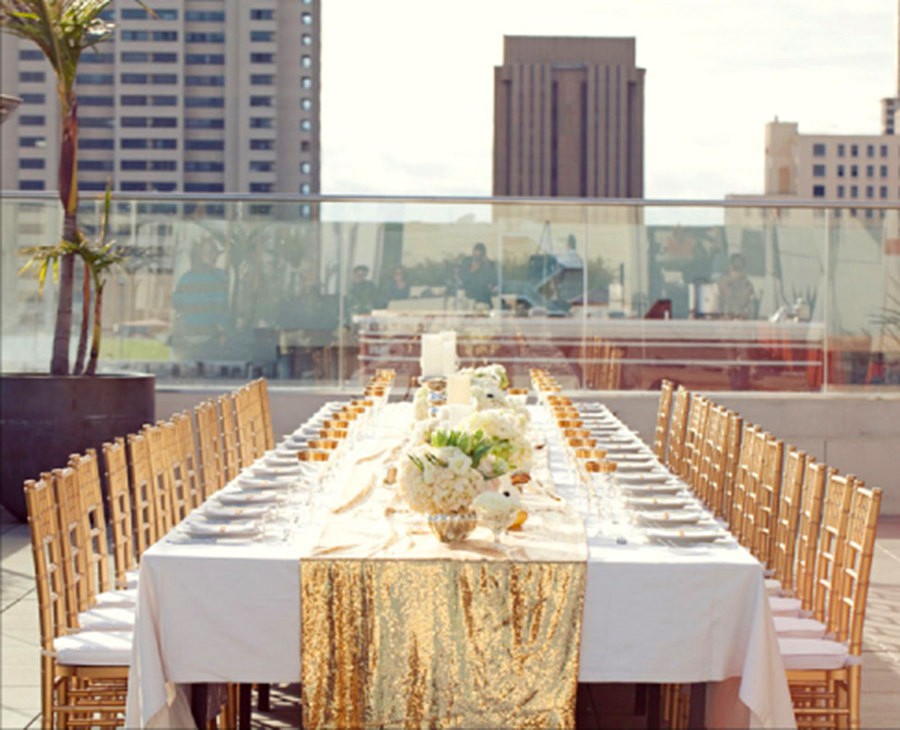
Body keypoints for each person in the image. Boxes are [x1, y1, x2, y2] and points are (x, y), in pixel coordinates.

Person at [171, 238, 229, 359]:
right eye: (208, 253)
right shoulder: (220, 277)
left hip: (192, 336)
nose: (212, 257)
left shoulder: (186, 277)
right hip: (207, 336)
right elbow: (222, 307)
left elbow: (177, 303)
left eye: (212, 253)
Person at [459, 242, 497, 307]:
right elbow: (462, 280)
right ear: (472, 253)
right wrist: (471, 271)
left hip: (485, 298)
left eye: (479, 256)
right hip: (470, 298)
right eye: (475, 255)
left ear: (484, 255)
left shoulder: (489, 264)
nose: (477, 258)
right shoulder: (467, 261)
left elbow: (494, 281)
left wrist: (487, 265)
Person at [718, 253, 755, 319]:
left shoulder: (747, 286)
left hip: (741, 324)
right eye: (735, 267)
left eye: (739, 268)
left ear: (743, 269)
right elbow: (716, 308)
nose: (737, 271)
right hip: (723, 324)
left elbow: (750, 312)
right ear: (730, 267)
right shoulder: (722, 283)